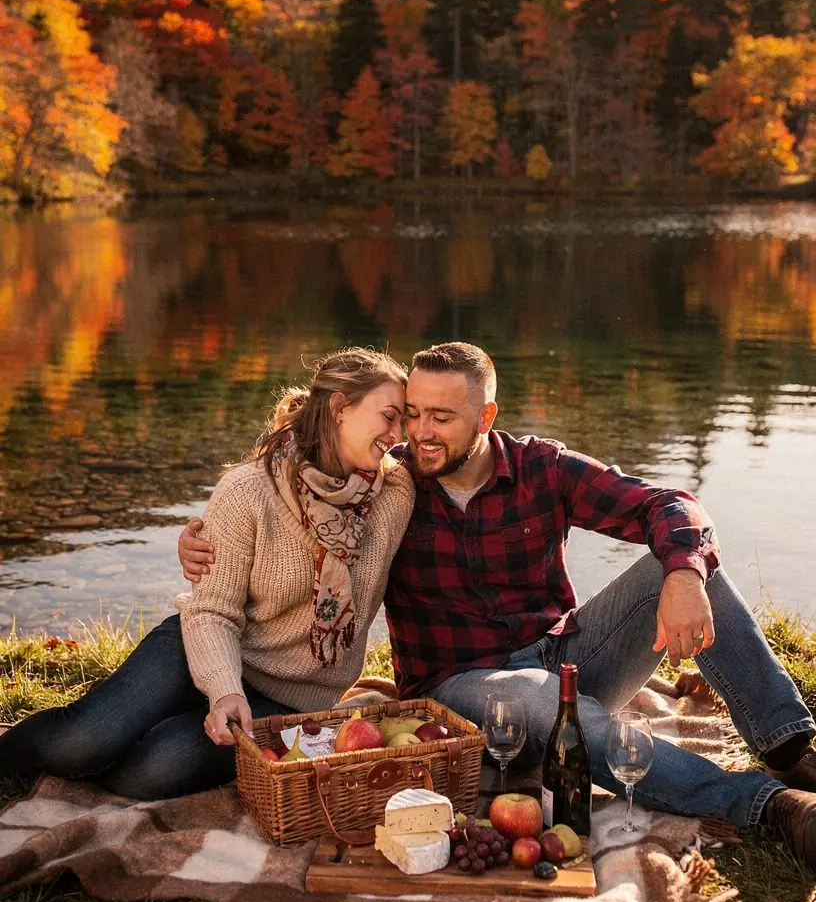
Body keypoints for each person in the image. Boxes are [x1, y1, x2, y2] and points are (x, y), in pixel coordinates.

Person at [180, 340, 816, 870]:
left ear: (486, 417)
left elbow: (668, 504)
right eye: (412, 414)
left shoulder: (542, 468)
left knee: (687, 565)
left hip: (562, 657)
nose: (419, 434)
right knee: (542, 699)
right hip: (458, 688)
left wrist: (682, 576)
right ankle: (765, 805)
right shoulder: (388, 480)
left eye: (441, 418)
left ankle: (792, 749)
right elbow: (290, 483)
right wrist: (206, 537)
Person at [0, 348, 414, 799]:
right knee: (82, 742)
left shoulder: (395, 492)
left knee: (153, 771)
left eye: (404, 421)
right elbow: (212, 611)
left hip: (291, 699)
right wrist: (223, 690)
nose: (398, 435)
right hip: (200, 646)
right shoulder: (249, 490)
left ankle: (134, 741)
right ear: (338, 407)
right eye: (389, 417)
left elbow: (454, 462)